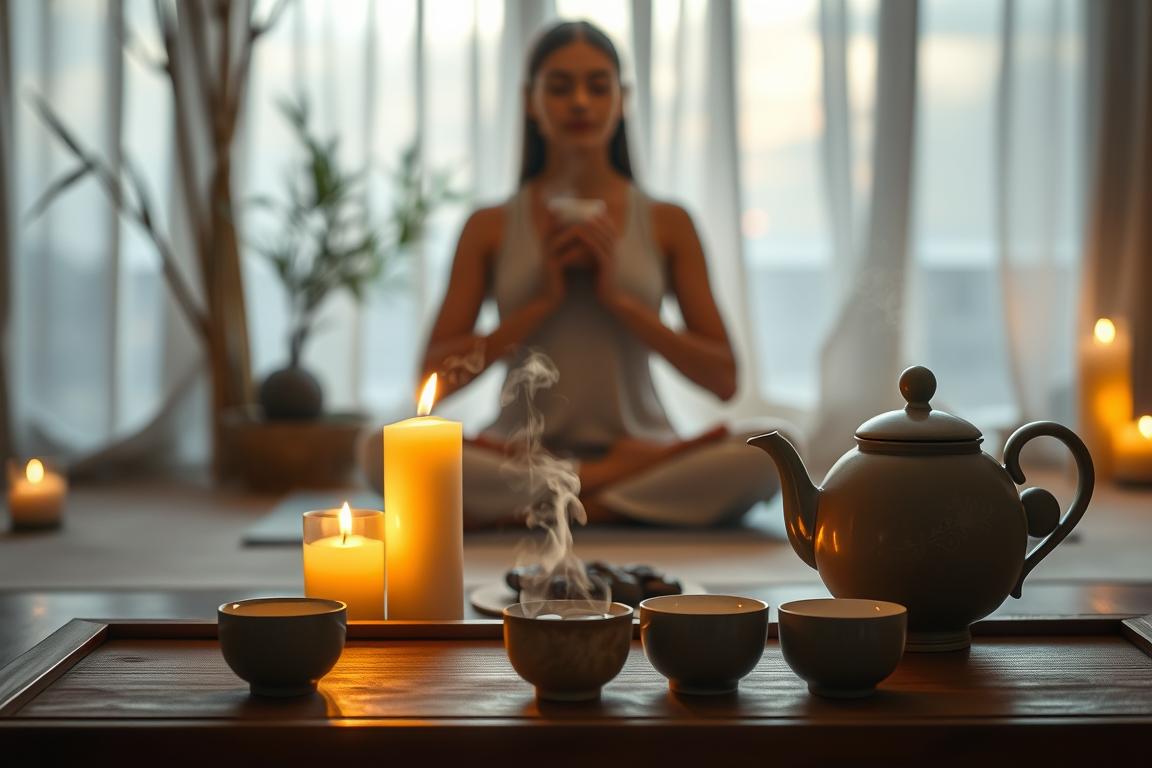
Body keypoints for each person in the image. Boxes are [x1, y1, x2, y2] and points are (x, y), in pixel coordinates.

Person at [361, 20, 791, 528]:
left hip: (641, 446)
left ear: (623, 98)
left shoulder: (667, 222)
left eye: (598, 86)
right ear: (530, 100)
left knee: (776, 450)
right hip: (522, 454)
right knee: (379, 450)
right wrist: (537, 304)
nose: (581, 102)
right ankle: (609, 500)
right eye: (561, 87)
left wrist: (622, 302)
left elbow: (724, 379)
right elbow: (430, 375)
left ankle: (555, 506)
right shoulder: (490, 226)